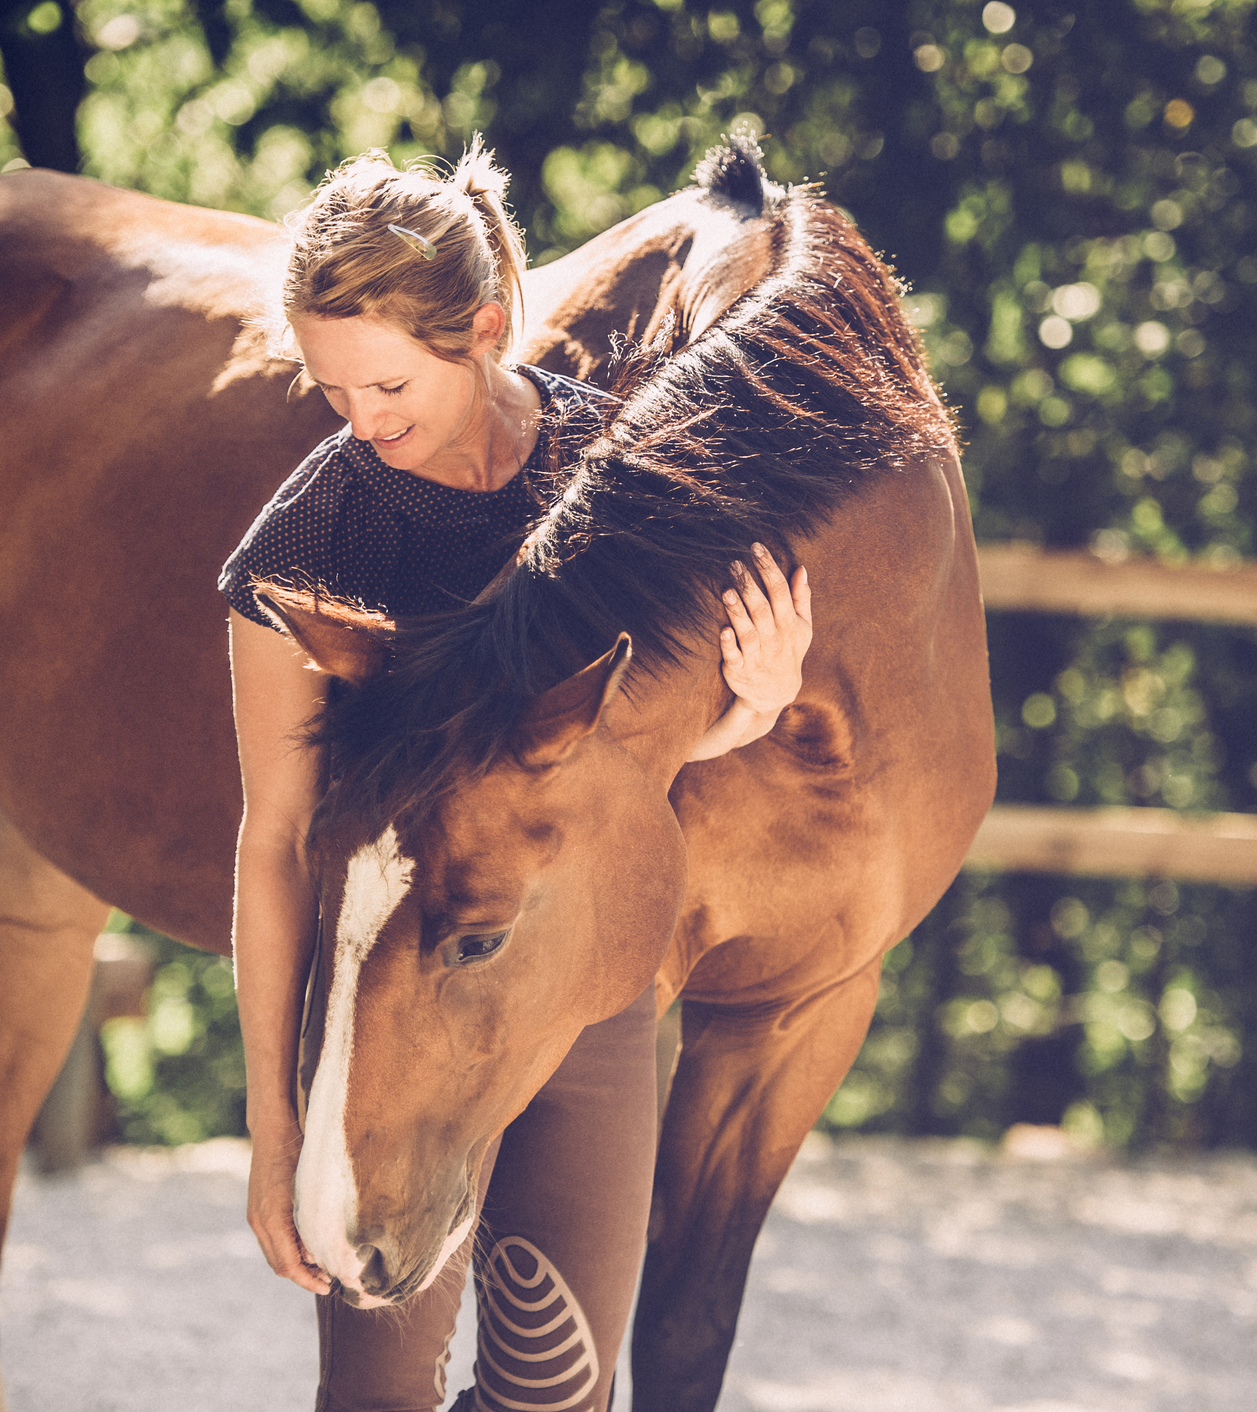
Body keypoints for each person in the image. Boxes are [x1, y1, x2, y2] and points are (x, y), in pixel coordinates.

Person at [220, 140, 812, 1412]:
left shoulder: (620, 482)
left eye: (388, 384)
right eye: (331, 392)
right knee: (376, 1394)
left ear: (484, 328)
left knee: (559, 1394)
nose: (362, 422)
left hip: (578, 995)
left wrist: (749, 706)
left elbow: (598, 770)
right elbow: (274, 840)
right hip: (393, 1010)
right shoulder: (308, 539)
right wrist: (275, 1128)